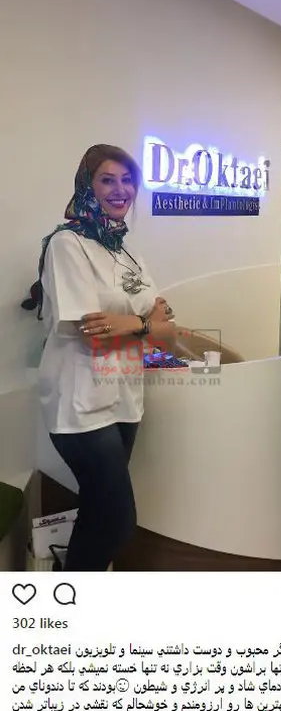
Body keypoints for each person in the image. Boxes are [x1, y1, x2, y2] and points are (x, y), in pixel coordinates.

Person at [24, 144, 177, 571]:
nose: (120, 189)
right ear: (86, 187)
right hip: (80, 403)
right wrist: (144, 323)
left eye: (127, 180)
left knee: (97, 508)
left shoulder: (127, 253)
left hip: (125, 397)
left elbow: (167, 323)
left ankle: (70, 584)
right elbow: (89, 330)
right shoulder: (67, 244)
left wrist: (130, 324)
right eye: (107, 180)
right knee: (117, 520)